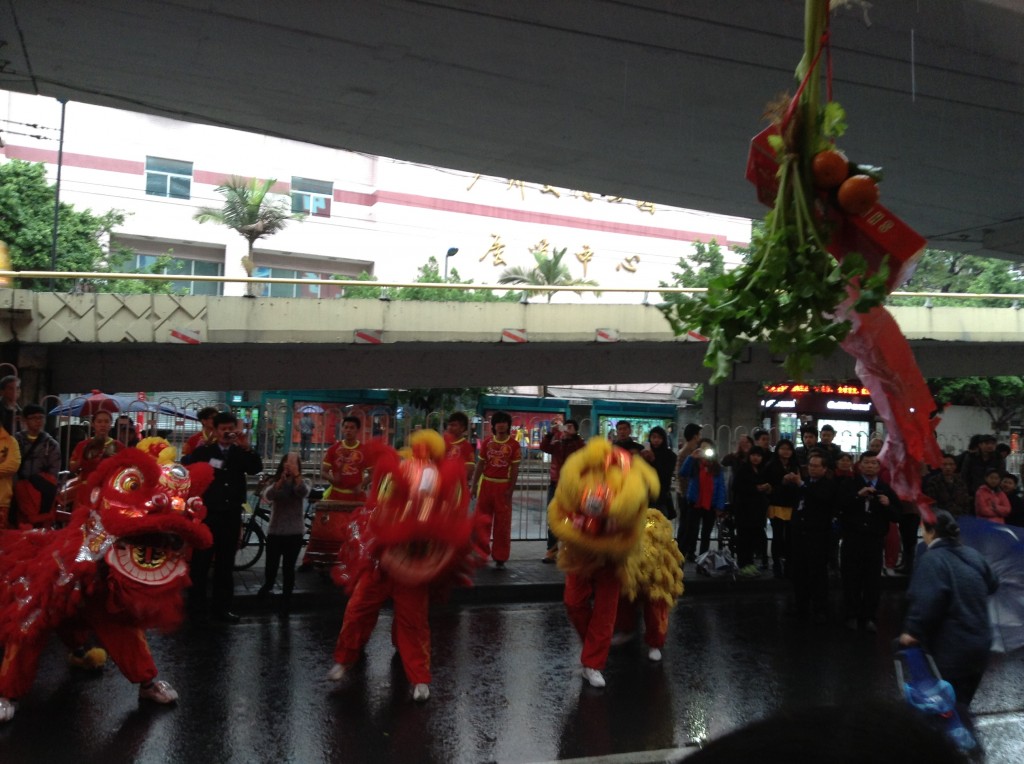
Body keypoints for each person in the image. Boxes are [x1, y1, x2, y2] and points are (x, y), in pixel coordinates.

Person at [899, 510, 999, 709]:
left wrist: (912, 631)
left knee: (947, 709)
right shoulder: (972, 554)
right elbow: (993, 583)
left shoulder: (932, 559)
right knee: (962, 706)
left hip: (952, 649)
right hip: (980, 645)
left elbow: (927, 601)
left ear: (931, 531)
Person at [183, 411, 263, 623]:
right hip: (208, 515)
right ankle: (196, 609)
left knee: (225, 565)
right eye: (223, 429)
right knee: (200, 563)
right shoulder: (205, 451)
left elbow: (256, 468)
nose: (227, 433)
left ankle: (222, 609)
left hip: (231, 515)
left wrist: (246, 446)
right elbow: (188, 467)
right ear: (216, 431)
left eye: (230, 429)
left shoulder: (240, 451)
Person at [838, 450, 899, 632]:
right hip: (852, 539)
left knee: (872, 580)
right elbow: (839, 507)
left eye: (874, 463)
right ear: (860, 465)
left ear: (879, 467)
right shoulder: (850, 484)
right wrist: (858, 496)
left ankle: (869, 616)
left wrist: (888, 505)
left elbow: (896, 516)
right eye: (867, 463)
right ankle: (851, 615)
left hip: (874, 540)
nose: (870, 466)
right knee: (851, 578)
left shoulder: (885, 487)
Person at [257, 452, 310, 617]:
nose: (290, 464)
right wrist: (280, 481)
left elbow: (303, 492)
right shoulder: (275, 481)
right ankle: (267, 590)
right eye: (287, 461)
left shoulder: (303, 481)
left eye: (294, 462)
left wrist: (296, 476)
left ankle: (286, 602)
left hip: (294, 531)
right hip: (276, 530)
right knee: (271, 566)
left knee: (289, 569)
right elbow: (269, 495)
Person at [788, 454, 837, 622]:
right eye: (810, 465)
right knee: (799, 572)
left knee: (817, 573)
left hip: (817, 535)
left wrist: (801, 484)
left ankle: (820, 608)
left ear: (824, 469)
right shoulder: (805, 483)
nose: (812, 468)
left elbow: (821, 499)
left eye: (817, 466)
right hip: (799, 533)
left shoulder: (828, 485)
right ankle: (801, 605)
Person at [470, 411, 520, 568]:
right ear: (493, 425)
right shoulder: (486, 443)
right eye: (498, 422)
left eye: (504, 422)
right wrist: (474, 485)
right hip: (486, 485)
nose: (501, 424)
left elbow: (515, 468)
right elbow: (480, 465)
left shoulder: (514, 445)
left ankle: (500, 556)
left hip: (503, 486)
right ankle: (480, 554)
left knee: (502, 524)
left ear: (508, 425)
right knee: (482, 522)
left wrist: (511, 489)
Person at [538, 418, 585, 562]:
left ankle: (572, 551)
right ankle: (551, 551)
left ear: (576, 430)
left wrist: (574, 437)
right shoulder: (557, 444)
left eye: (571, 427)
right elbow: (544, 447)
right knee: (553, 518)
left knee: (573, 518)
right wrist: (550, 433)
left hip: (573, 486)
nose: (567, 429)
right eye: (566, 426)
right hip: (555, 484)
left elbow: (582, 450)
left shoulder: (578, 444)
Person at [12, 403, 61, 528]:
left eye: (41, 417)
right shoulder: (15, 441)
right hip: (18, 489)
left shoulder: (51, 444)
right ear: (25, 420)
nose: (38, 421)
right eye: (34, 418)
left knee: (41, 524)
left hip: (41, 491)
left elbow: (54, 470)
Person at [678, 438, 725, 561]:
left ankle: (703, 556)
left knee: (706, 533)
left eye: (707, 448)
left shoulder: (716, 467)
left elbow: (721, 486)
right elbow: (683, 473)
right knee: (692, 530)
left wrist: (720, 506)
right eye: (702, 447)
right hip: (695, 502)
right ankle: (689, 553)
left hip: (710, 504)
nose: (705, 450)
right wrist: (691, 457)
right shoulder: (694, 463)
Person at [732, 445, 771, 578]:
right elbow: (736, 486)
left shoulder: (761, 470)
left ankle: (750, 563)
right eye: (753, 455)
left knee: (753, 538)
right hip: (744, 509)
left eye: (759, 456)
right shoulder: (743, 469)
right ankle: (743, 565)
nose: (756, 458)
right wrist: (755, 488)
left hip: (757, 510)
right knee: (743, 538)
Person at [765, 439, 801, 578]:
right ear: (778, 450)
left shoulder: (795, 465)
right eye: (783, 448)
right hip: (777, 503)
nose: (786, 451)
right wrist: (782, 482)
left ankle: (789, 564)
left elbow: (800, 483)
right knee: (778, 536)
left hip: (792, 504)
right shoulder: (771, 465)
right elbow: (768, 486)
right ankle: (776, 564)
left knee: (791, 537)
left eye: (789, 449)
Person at [322, 416, 371, 502]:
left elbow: (373, 473)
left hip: (356, 496)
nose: (348, 430)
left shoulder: (365, 450)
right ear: (342, 429)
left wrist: (362, 485)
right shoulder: (333, 449)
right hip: (336, 495)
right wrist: (333, 480)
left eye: (352, 427)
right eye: (346, 427)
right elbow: (323, 472)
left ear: (358, 430)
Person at [69, 410, 125, 479]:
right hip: (86, 484)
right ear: (93, 424)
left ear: (111, 424)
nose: (103, 425)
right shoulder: (83, 445)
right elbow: (72, 469)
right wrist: (82, 458)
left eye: (106, 421)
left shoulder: (119, 446)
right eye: (99, 421)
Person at [674, 423, 703, 546]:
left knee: (691, 523)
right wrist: (686, 494)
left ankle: (688, 549)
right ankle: (682, 548)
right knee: (686, 523)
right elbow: (681, 475)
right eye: (699, 434)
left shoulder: (692, 450)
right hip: (686, 494)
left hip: (690, 493)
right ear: (695, 436)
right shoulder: (686, 452)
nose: (700, 437)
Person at [641, 426, 677, 521]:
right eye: (653, 437)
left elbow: (665, 476)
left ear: (664, 439)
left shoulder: (670, 456)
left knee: (659, 526)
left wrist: (653, 460)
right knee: (646, 527)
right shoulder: (644, 454)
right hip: (645, 497)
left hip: (661, 498)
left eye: (659, 437)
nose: (656, 440)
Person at [443, 411, 476, 484]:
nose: (450, 427)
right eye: (449, 425)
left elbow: (469, 472)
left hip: (456, 487)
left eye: (454, 425)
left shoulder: (467, 446)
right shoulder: (441, 443)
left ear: (462, 428)